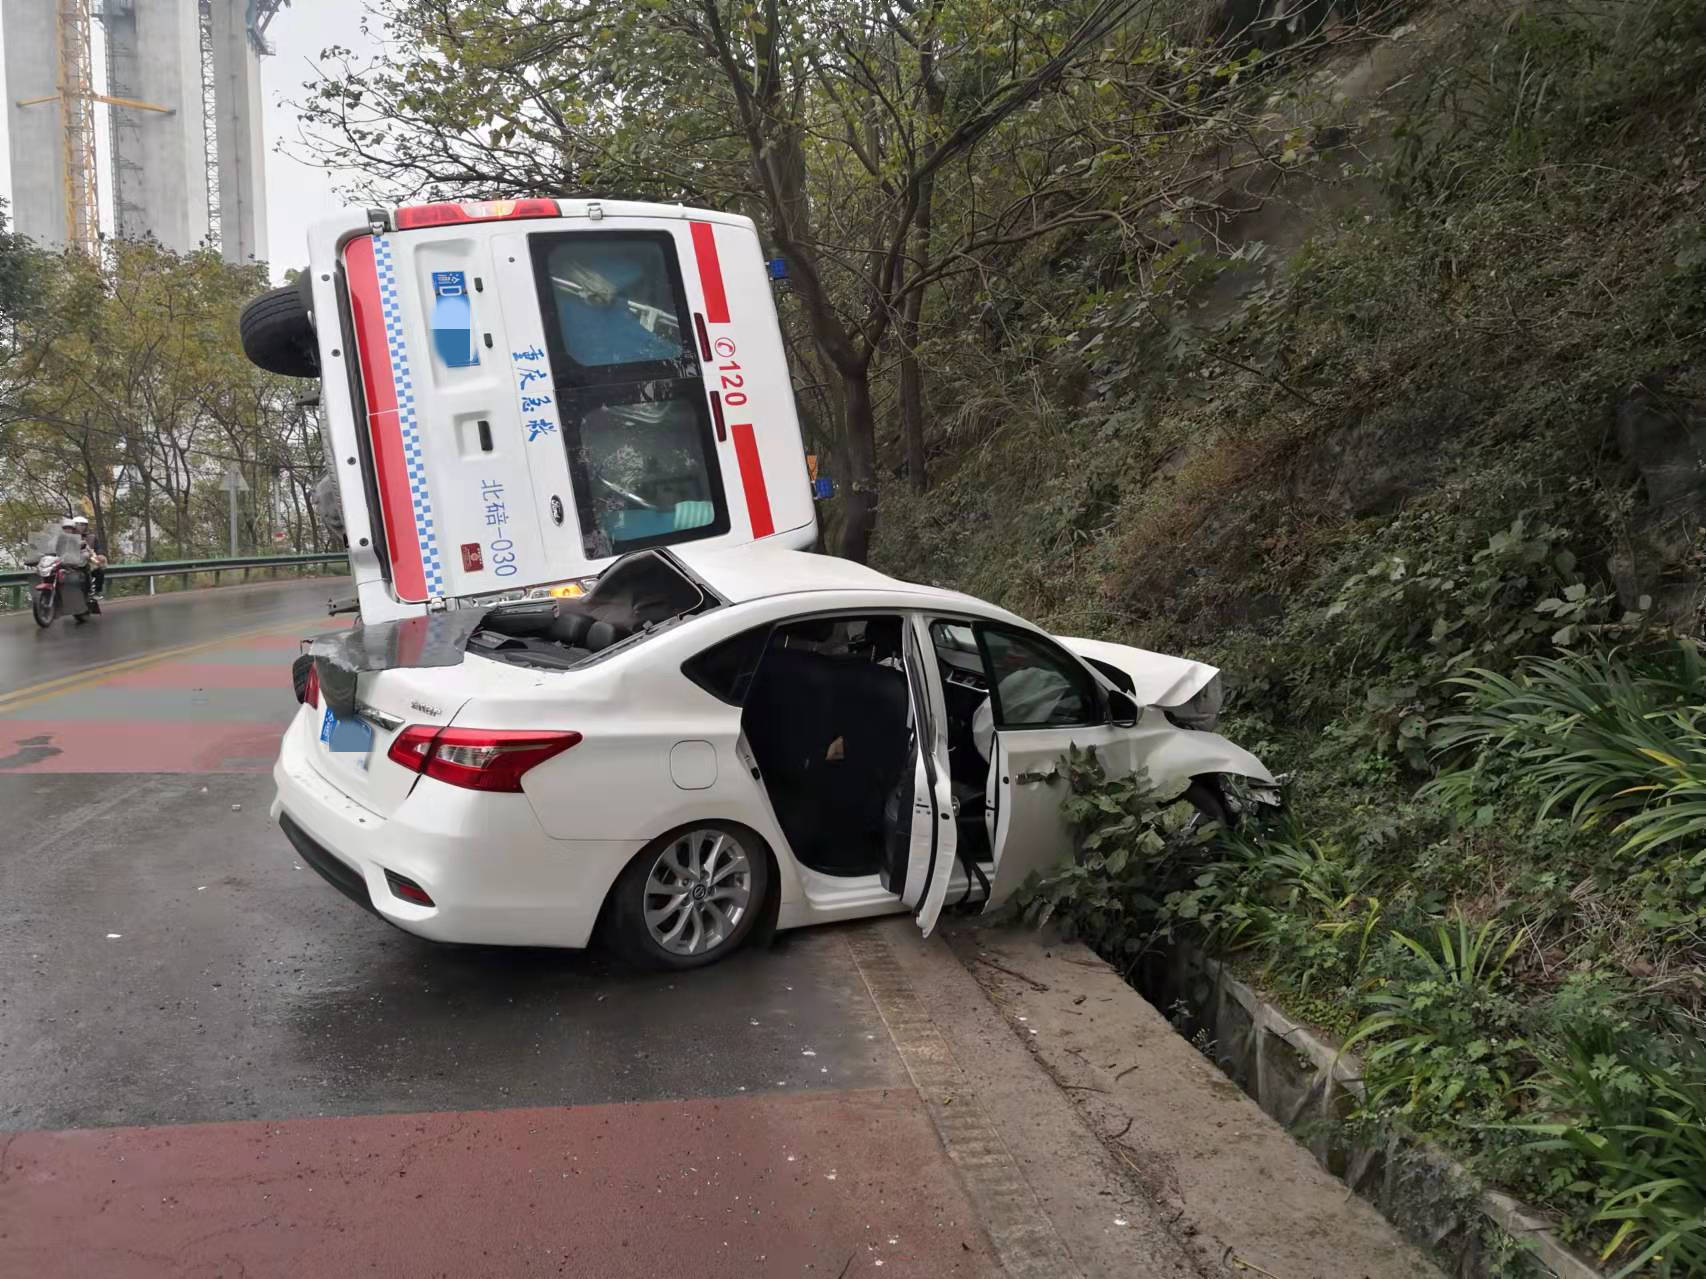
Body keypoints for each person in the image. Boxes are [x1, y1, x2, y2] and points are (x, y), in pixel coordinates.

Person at [73, 515, 107, 598]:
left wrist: (100, 555)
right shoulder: (67, 537)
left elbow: (98, 548)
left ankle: (95, 592)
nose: (82, 527)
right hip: (69, 561)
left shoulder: (91, 537)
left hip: (86, 561)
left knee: (99, 571)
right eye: (79, 524)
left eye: (84, 525)